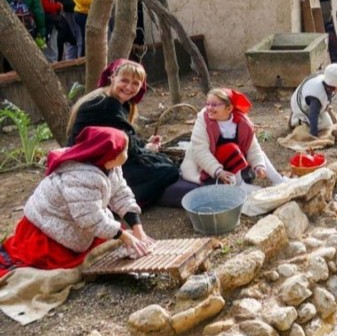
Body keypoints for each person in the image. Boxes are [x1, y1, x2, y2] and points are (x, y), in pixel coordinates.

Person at [0, 126, 153, 276]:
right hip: (48, 229)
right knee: (64, 264)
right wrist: (124, 236)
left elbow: (121, 195)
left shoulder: (111, 167)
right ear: (112, 155)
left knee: (111, 241)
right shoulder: (80, 178)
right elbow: (89, 218)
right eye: (124, 150)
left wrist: (138, 230)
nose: (127, 152)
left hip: (77, 221)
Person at [67, 59, 180, 207]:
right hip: (92, 167)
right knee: (168, 169)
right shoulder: (106, 106)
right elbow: (127, 147)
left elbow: (124, 135)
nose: (129, 87)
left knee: (161, 161)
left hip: (96, 161)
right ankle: (117, 202)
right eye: (124, 80)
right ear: (112, 78)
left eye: (135, 83)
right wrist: (148, 149)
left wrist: (145, 144)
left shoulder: (107, 100)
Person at [173, 89, 287, 198]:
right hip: (206, 166)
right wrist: (218, 171)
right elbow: (200, 151)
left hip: (234, 163)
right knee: (230, 148)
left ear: (229, 108)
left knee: (259, 154)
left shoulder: (242, 123)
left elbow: (252, 148)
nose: (209, 108)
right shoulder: (204, 120)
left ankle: (278, 181)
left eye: (214, 105)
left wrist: (258, 166)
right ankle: (239, 185)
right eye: (207, 104)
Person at [0, 0, 46, 72]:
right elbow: (38, 11)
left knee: (5, 59)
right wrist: (42, 30)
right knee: (26, 59)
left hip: (4, 27)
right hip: (26, 28)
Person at [289, 63, 337, 137]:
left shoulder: (326, 81)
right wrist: (314, 135)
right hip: (301, 106)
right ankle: (296, 120)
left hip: (306, 100)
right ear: (334, 84)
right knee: (326, 124)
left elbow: (326, 99)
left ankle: (299, 118)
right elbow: (313, 115)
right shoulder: (316, 95)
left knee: (328, 120)